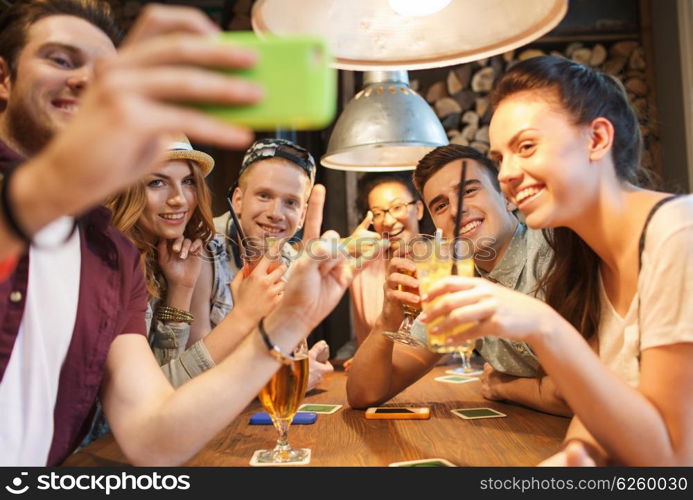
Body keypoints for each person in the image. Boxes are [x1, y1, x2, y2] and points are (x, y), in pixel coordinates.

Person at [0, 1, 359, 466]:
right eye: (60, 60)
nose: (85, 80)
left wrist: (285, 326)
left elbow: (154, 435)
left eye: (105, 73)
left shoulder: (111, 255)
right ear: (4, 78)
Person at [421, 55, 693, 465]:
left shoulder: (678, 234)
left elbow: (673, 460)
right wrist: (577, 453)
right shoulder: (586, 257)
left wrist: (543, 326)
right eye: (499, 159)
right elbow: (606, 396)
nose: (508, 174)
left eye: (526, 146)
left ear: (597, 139)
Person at [347, 145, 570, 417]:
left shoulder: (558, 252)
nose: (456, 209)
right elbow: (363, 394)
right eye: (440, 205)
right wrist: (386, 322)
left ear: (507, 198)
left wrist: (503, 387)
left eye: (469, 191)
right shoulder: (453, 285)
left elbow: (577, 395)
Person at [212, 138, 333, 390]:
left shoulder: (293, 261)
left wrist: (296, 364)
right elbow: (191, 371)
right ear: (238, 201)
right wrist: (280, 380)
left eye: (290, 202)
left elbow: (282, 354)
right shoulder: (200, 248)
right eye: (264, 195)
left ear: (302, 216)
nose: (276, 213)